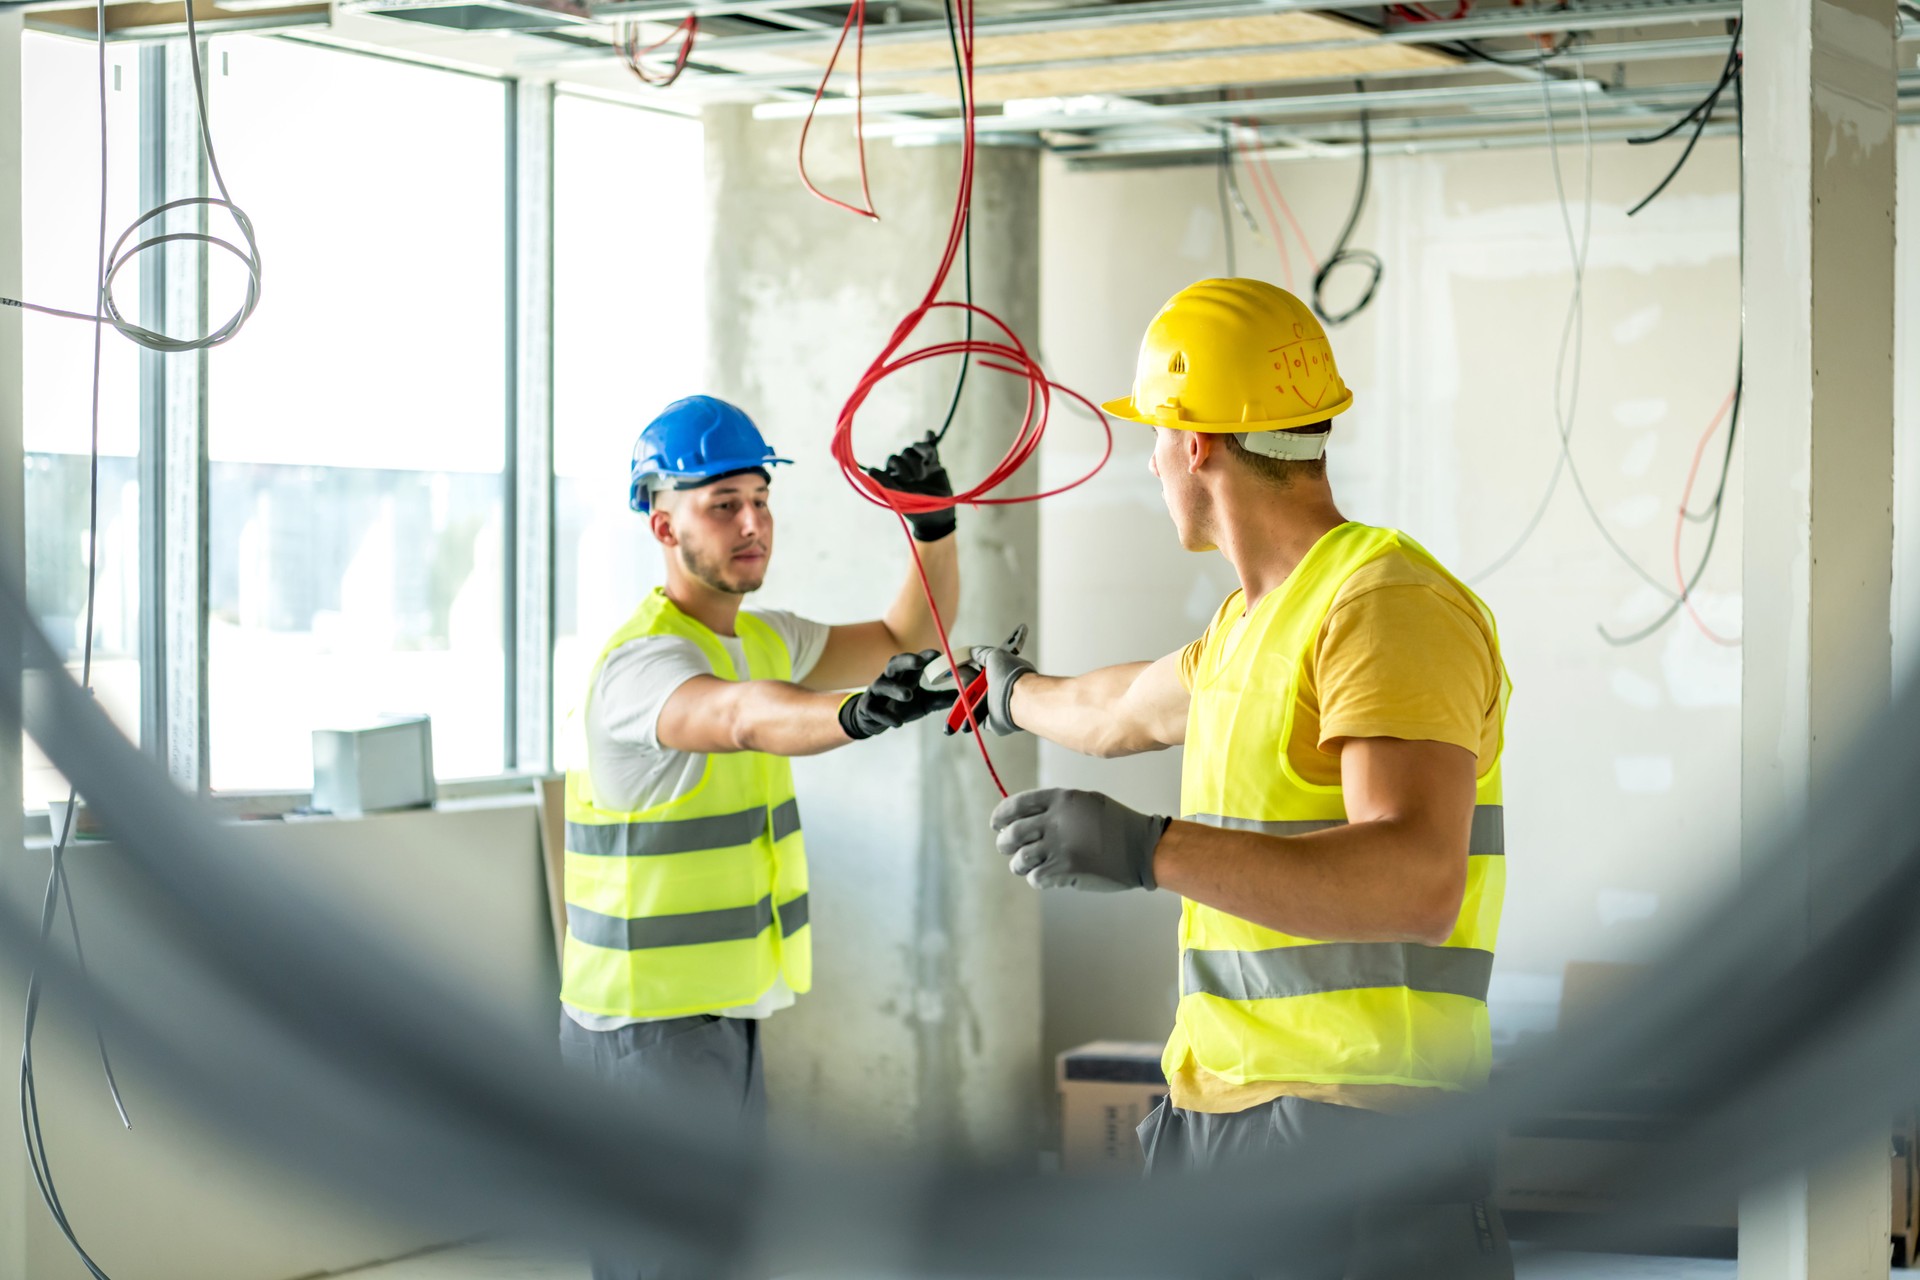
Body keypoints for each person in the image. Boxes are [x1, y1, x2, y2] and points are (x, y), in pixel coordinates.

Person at [972, 279, 1513, 1278]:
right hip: (1230, 1118)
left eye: (1154, 435)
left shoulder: (1384, 604)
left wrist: (1148, 848)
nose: (1152, 460)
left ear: (1196, 442)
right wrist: (1004, 691)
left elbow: (1417, 881)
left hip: (1356, 1137)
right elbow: (1120, 709)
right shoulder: (1251, 625)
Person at [557, 394, 960, 1280]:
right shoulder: (644, 664)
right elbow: (740, 718)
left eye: (761, 499)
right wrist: (853, 713)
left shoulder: (762, 640)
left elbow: (908, 636)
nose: (753, 524)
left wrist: (931, 529)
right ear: (662, 523)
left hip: (720, 1018)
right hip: (642, 1033)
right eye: (722, 504)